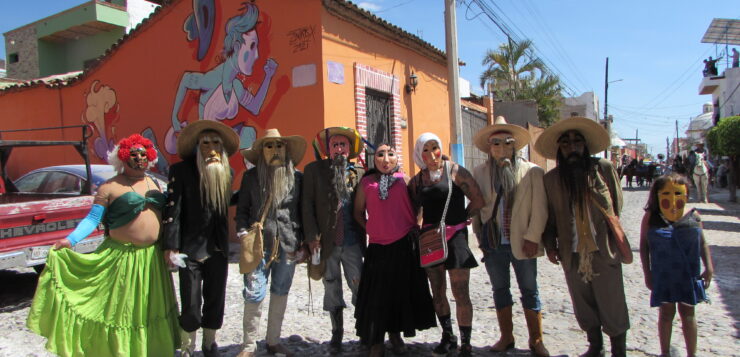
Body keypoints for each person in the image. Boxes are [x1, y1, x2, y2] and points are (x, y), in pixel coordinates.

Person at [26, 134, 180, 356]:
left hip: (151, 259)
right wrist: (70, 240)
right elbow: (92, 219)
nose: (139, 159)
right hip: (122, 258)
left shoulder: (155, 182)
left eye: (144, 155)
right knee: (122, 311)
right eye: (134, 155)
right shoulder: (109, 187)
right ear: (123, 158)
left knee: (148, 309)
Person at [535, 117, 630, 357]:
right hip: (572, 250)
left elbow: (616, 207)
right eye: (566, 144)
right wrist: (550, 245)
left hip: (603, 249)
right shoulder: (552, 180)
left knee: (613, 302)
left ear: (585, 146)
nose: (572, 147)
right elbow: (550, 217)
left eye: (577, 142)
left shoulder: (603, 169)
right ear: (560, 149)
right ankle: (595, 347)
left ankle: (619, 350)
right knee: (583, 303)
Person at [471, 116, 550, 356]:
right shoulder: (480, 172)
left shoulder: (532, 172)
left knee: (529, 289)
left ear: (515, 145)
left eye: (508, 142)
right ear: (489, 147)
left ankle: (536, 340)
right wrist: (480, 237)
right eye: (496, 143)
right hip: (494, 244)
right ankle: (506, 336)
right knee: (500, 289)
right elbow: (478, 208)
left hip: (523, 242)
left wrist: (533, 237)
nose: (502, 148)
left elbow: (540, 208)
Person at [163, 120, 240, 357]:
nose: (212, 148)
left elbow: (225, 202)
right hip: (189, 248)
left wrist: (250, 193)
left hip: (217, 247)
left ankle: (209, 343)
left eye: (216, 143)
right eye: (205, 143)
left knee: (216, 299)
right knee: (192, 303)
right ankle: (188, 346)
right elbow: (173, 212)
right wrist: (171, 247)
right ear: (197, 146)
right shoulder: (181, 171)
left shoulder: (227, 171)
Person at [353, 144, 437, 357]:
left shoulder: (405, 180)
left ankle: (396, 335)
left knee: (400, 293)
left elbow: (419, 206)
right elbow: (358, 212)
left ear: (396, 158)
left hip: (404, 247)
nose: (385, 158)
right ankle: (376, 341)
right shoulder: (366, 183)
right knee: (377, 297)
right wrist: (373, 228)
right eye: (380, 154)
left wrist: (414, 226)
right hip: (378, 248)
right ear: (375, 159)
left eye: (390, 154)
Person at [408, 133, 484, 357]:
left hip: (457, 239)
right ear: (419, 154)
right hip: (431, 241)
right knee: (438, 292)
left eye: (435, 148)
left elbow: (479, 199)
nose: (431, 155)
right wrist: (420, 230)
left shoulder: (456, 172)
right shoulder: (417, 181)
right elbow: (413, 211)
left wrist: (463, 217)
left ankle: (466, 343)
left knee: (461, 292)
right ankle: (448, 336)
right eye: (426, 150)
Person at [235, 129, 306, 357]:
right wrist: (242, 232)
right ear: (261, 151)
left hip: (288, 243)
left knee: (280, 290)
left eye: (279, 146)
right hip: (258, 244)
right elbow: (242, 209)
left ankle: (273, 341)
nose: (275, 151)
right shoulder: (251, 177)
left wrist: (304, 242)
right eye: (269, 146)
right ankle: (248, 345)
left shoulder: (297, 177)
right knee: (254, 292)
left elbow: (302, 212)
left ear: (286, 150)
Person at [302, 126, 366, 354]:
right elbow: (307, 207)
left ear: (350, 149)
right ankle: (336, 332)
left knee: (359, 285)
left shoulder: (360, 172)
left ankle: (363, 329)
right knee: (331, 286)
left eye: (343, 145)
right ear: (328, 149)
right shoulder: (314, 171)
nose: (339, 149)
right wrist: (311, 238)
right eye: (335, 145)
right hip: (326, 243)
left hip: (352, 242)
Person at [639, 174, 714, 357]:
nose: (673, 198)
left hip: (687, 274)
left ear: (687, 194)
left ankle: (692, 354)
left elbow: (702, 242)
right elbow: (644, 245)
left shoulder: (694, 216)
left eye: (679, 193)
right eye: (666, 193)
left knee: (688, 314)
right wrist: (648, 274)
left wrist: (709, 267)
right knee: (666, 313)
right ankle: (665, 352)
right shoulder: (651, 217)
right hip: (663, 273)